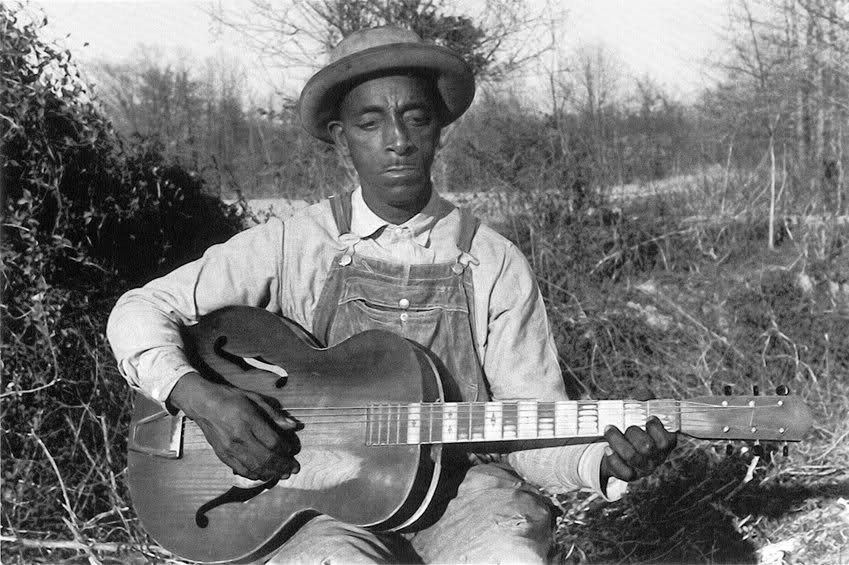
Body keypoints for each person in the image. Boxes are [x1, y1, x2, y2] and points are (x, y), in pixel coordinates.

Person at [107, 26, 676, 564]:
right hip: (322, 507)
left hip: (467, 497)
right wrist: (202, 399)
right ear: (341, 140)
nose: (398, 141)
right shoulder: (292, 243)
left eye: (416, 118)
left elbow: (533, 425)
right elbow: (138, 311)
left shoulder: (494, 261)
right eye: (370, 123)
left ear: (439, 130)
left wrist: (603, 460)